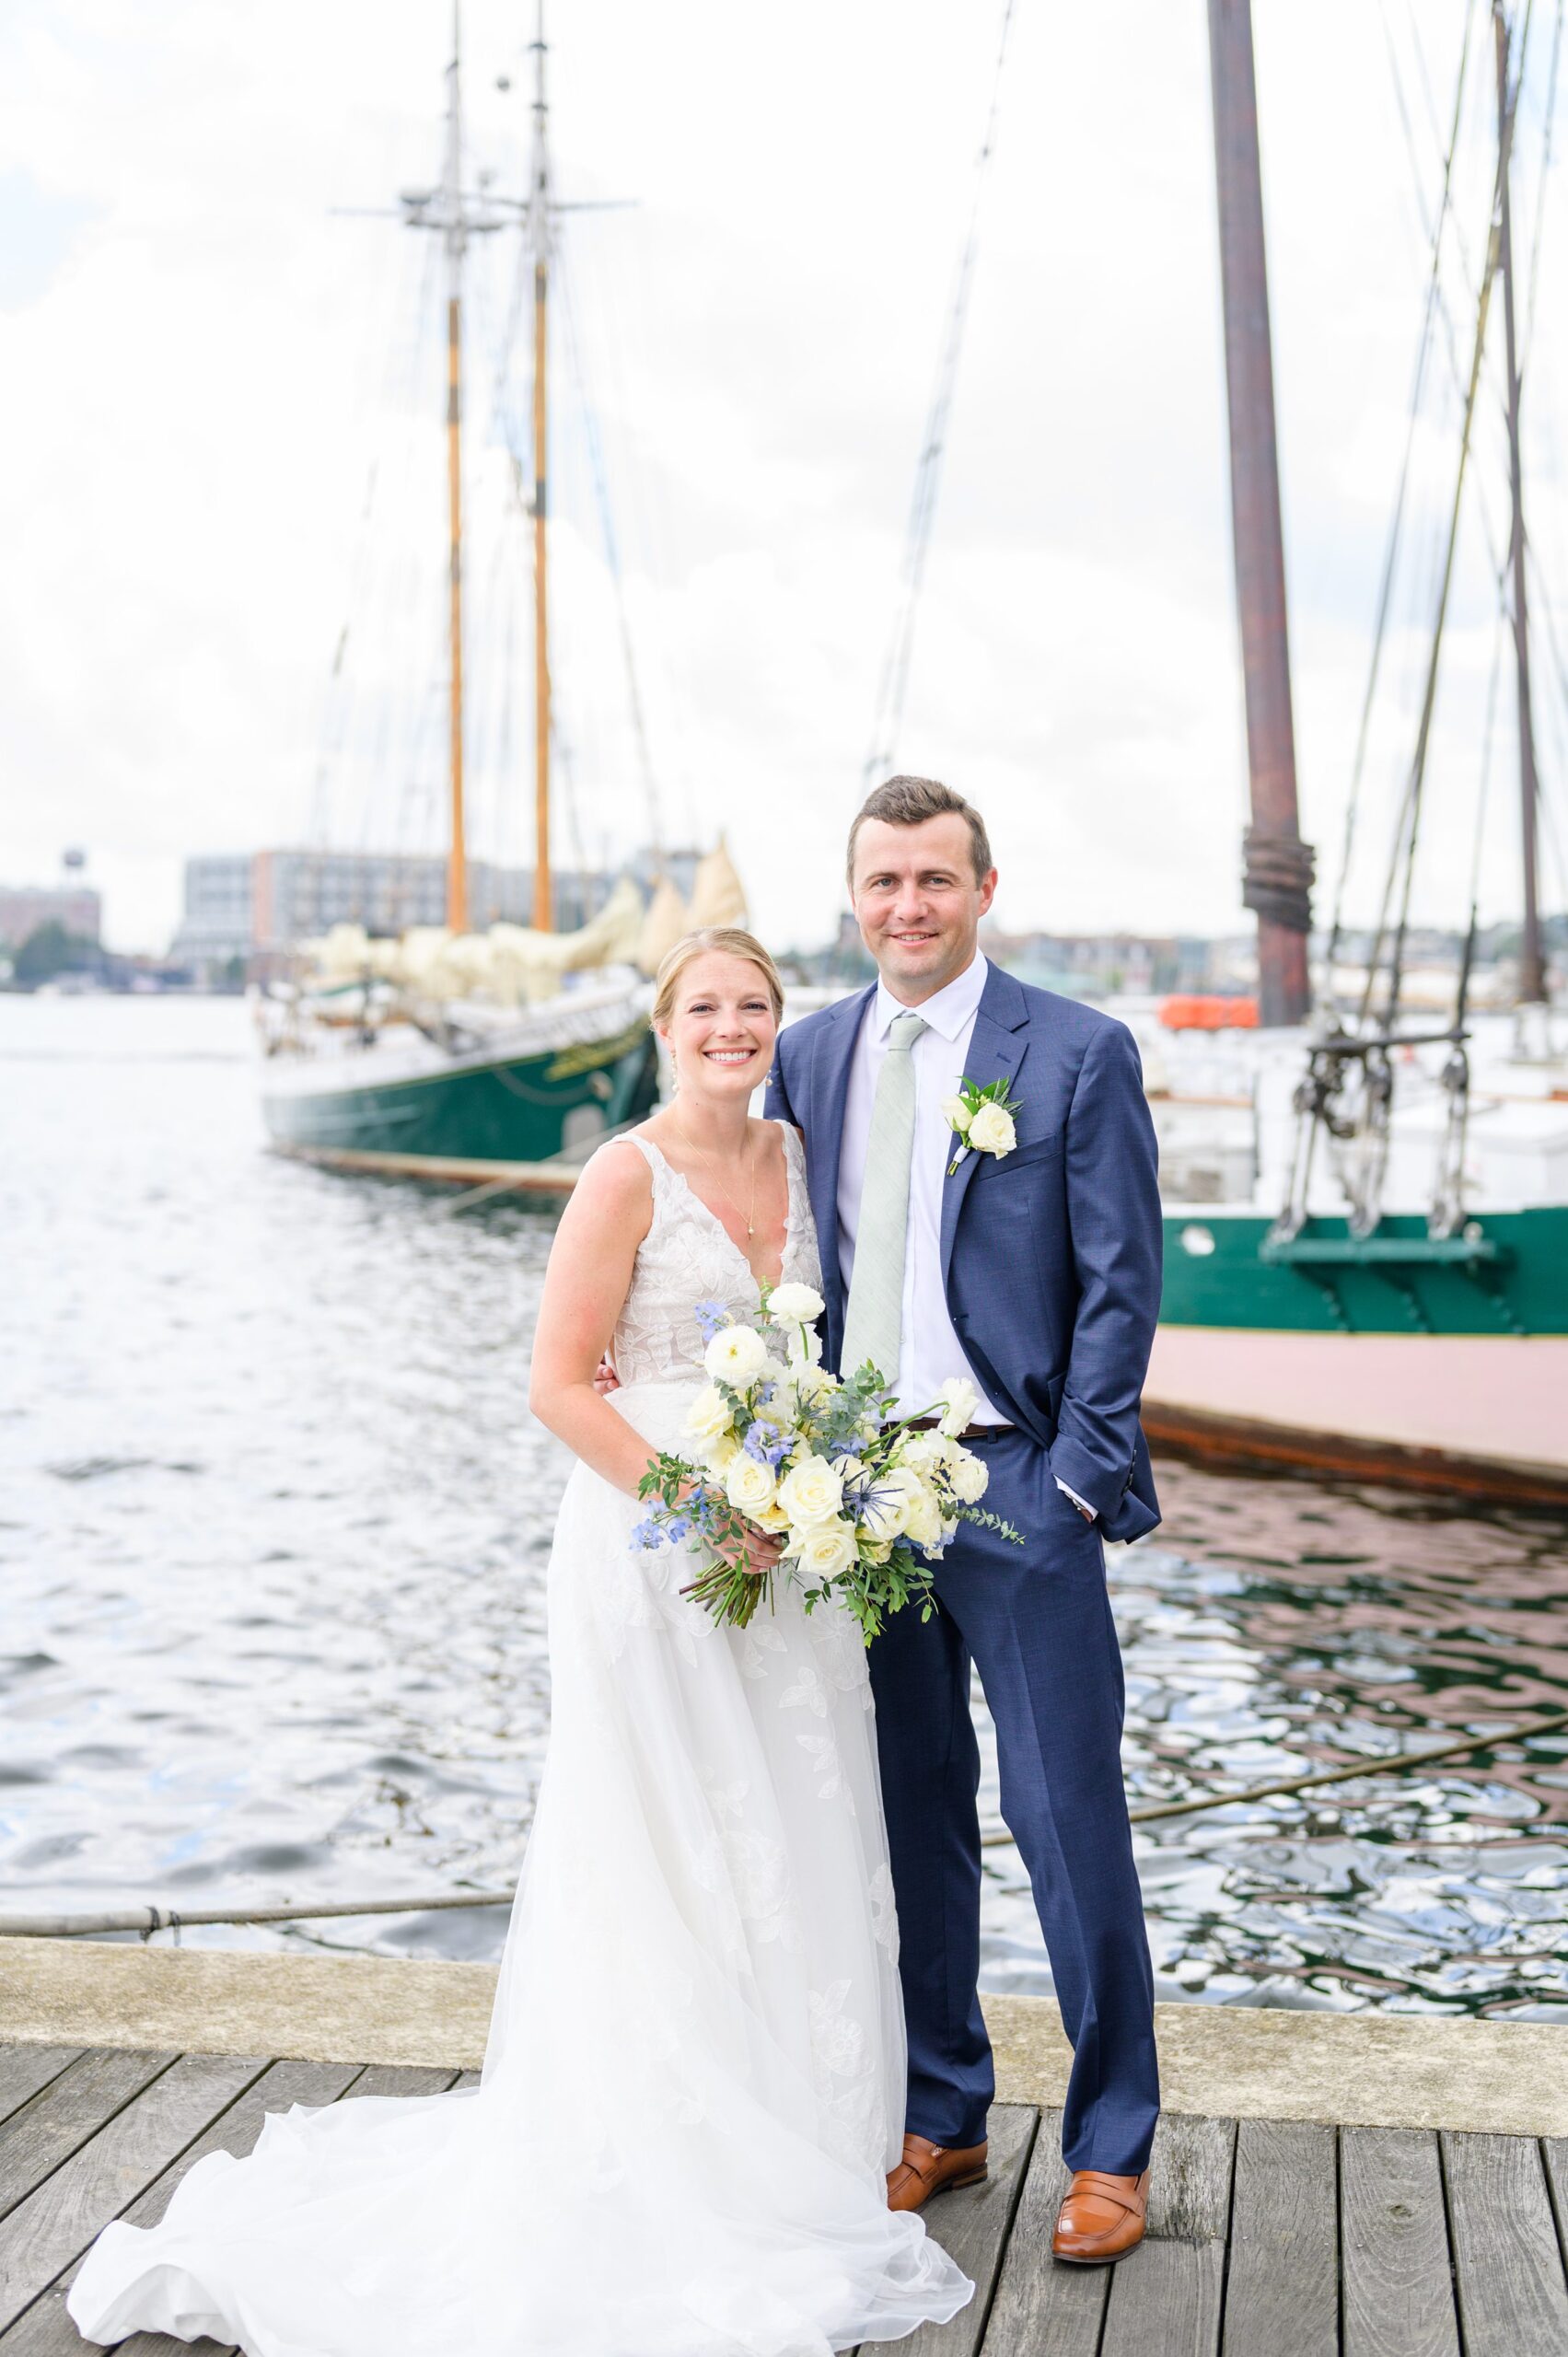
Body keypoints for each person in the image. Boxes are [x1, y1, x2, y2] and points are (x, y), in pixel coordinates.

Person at [66, 927, 972, 2356]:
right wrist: (696, 1505)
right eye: (705, 1009)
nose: (732, 1028)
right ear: (664, 1026)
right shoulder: (624, 1173)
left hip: (789, 1545)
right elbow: (557, 1384)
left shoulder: (802, 1159)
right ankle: (661, 2140)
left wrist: (814, 1496)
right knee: (662, 1833)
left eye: (754, 1008)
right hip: (649, 1537)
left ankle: (798, 2129)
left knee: (795, 1815)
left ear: (777, 1027)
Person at [767, 776, 1164, 2266]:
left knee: (1067, 1819)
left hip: (1017, 1484)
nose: (909, 907)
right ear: (854, 895)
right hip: (857, 1495)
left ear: (984, 889)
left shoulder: (1073, 1051)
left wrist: (1073, 1477)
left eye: (937, 880)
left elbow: (1125, 1281)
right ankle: (946, 2110)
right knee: (909, 1819)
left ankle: (1113, 2143)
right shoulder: (808, 1055)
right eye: (884, 882)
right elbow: (780, 1253)